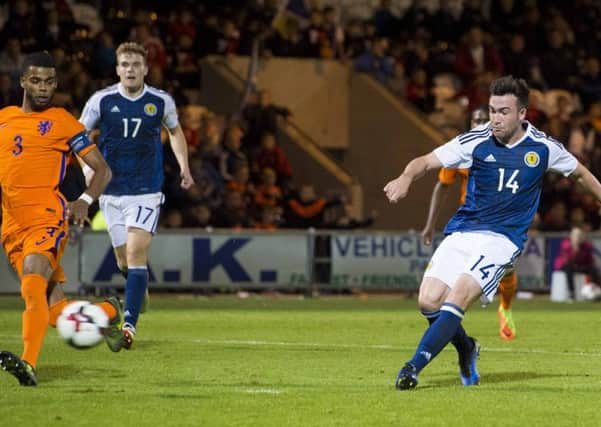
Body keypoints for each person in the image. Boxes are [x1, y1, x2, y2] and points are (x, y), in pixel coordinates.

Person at [383, 75, 601, 390]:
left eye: (503, 112)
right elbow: (426, 161)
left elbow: (580, 173)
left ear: (522, 114)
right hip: (462, 232)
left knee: (457, 296)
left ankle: (412, 367)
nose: (495, 119)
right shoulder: (475, 139)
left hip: (502, 240)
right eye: (492, 110)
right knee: (428, 302)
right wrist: (405, 177)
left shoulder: (543, 147)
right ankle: (467, 347)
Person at [0, 52, 118, 386]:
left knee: (32, 281)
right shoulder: (3, 119)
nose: (43, 88)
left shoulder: (63, 121)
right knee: (53, 311)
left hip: (47, 217)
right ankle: (109, 310)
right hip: (12, 225)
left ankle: (28, 365)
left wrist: (84, 200)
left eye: (49, 81)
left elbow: (103, 169)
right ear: (22, 81)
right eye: (35, 80)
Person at [79, 42, 194, 351]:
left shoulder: (160, 101)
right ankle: (137, 286)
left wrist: (184, 167)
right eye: (125, 64)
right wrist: (87, 168)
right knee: (123, 260)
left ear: (146, 69)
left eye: (136, 65)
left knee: (135, 252)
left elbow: (176, 132)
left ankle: (128, 325)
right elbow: (78, 136)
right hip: (111, 192)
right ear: (117, 69)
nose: (130, 69)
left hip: (146, 191)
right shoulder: (101, 101)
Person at [421, 106, 520, 340]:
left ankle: (504, 307)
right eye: (477, 120)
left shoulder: (509, 149)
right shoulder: (461, 150)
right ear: (470, 123)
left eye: (485, 119)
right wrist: (430, 223)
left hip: (502, 222)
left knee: (508, 268)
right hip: (471, 223)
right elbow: (442, 186)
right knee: (454, 278)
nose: (481, 123)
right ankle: (456, 324)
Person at [553, 226, 600, 301]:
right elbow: (567, 260)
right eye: (576, 235)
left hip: (580, 266)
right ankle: (571, 293)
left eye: (579, 235)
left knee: (593, 269)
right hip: (565, 265)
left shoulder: (587, 246)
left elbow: (589, 260)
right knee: (569, 268)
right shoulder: (566, 244)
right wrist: (575, 249)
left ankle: (597, 290)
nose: (578, 237)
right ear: (571, 236)